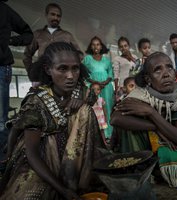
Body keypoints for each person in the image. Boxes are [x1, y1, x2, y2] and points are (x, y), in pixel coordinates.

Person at [0, 42, 105, 199]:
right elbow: (32, 153)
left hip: (73, 159)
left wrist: (82, 103)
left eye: (75, 68)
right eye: (62, 69)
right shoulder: (37, 100)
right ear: (48, 69)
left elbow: (90, 98)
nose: (70, 76)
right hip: (40, 159)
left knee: (85, 111)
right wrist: (62, 190)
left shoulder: (82, 91)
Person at [111, 52, 177, 187]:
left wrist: (151, 112)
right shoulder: (141, 94)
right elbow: (115, 118)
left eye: (169, 68)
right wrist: (155, 127)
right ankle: (141, 167)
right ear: (148, 79)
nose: (166, 74)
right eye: (157, 70)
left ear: (175, 73)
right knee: (126, 120)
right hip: (149, 153)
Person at [0, 0, 33, 159]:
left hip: (1, 67)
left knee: (0, 121)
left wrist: (10, 41)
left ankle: (3, 163)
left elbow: (28, 35)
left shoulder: (4, 10)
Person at [23, 3, 81, 80]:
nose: (55, 18)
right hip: (43, 76)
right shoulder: (37, 34)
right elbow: (27, 55)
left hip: (62, 76)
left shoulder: (67, 35)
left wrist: (71, 69)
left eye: (58, 16)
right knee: (42, 92)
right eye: (53, 14)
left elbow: (79, 54)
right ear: (46, 15)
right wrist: (33, 74)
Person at [83, 36, 114, 139]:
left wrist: (105, 82)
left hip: (106, 88)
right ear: (91, 47)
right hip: (94, 88)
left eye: (98, 44)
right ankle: (97, 135)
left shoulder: (106, 60)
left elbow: (110, 73)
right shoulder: (87, 58)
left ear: (101, 46)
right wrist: (94, 82)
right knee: (96, 109)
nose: (95, 46)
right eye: (93, 44)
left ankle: (108, 133)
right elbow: (84, 73)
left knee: (107, 108)